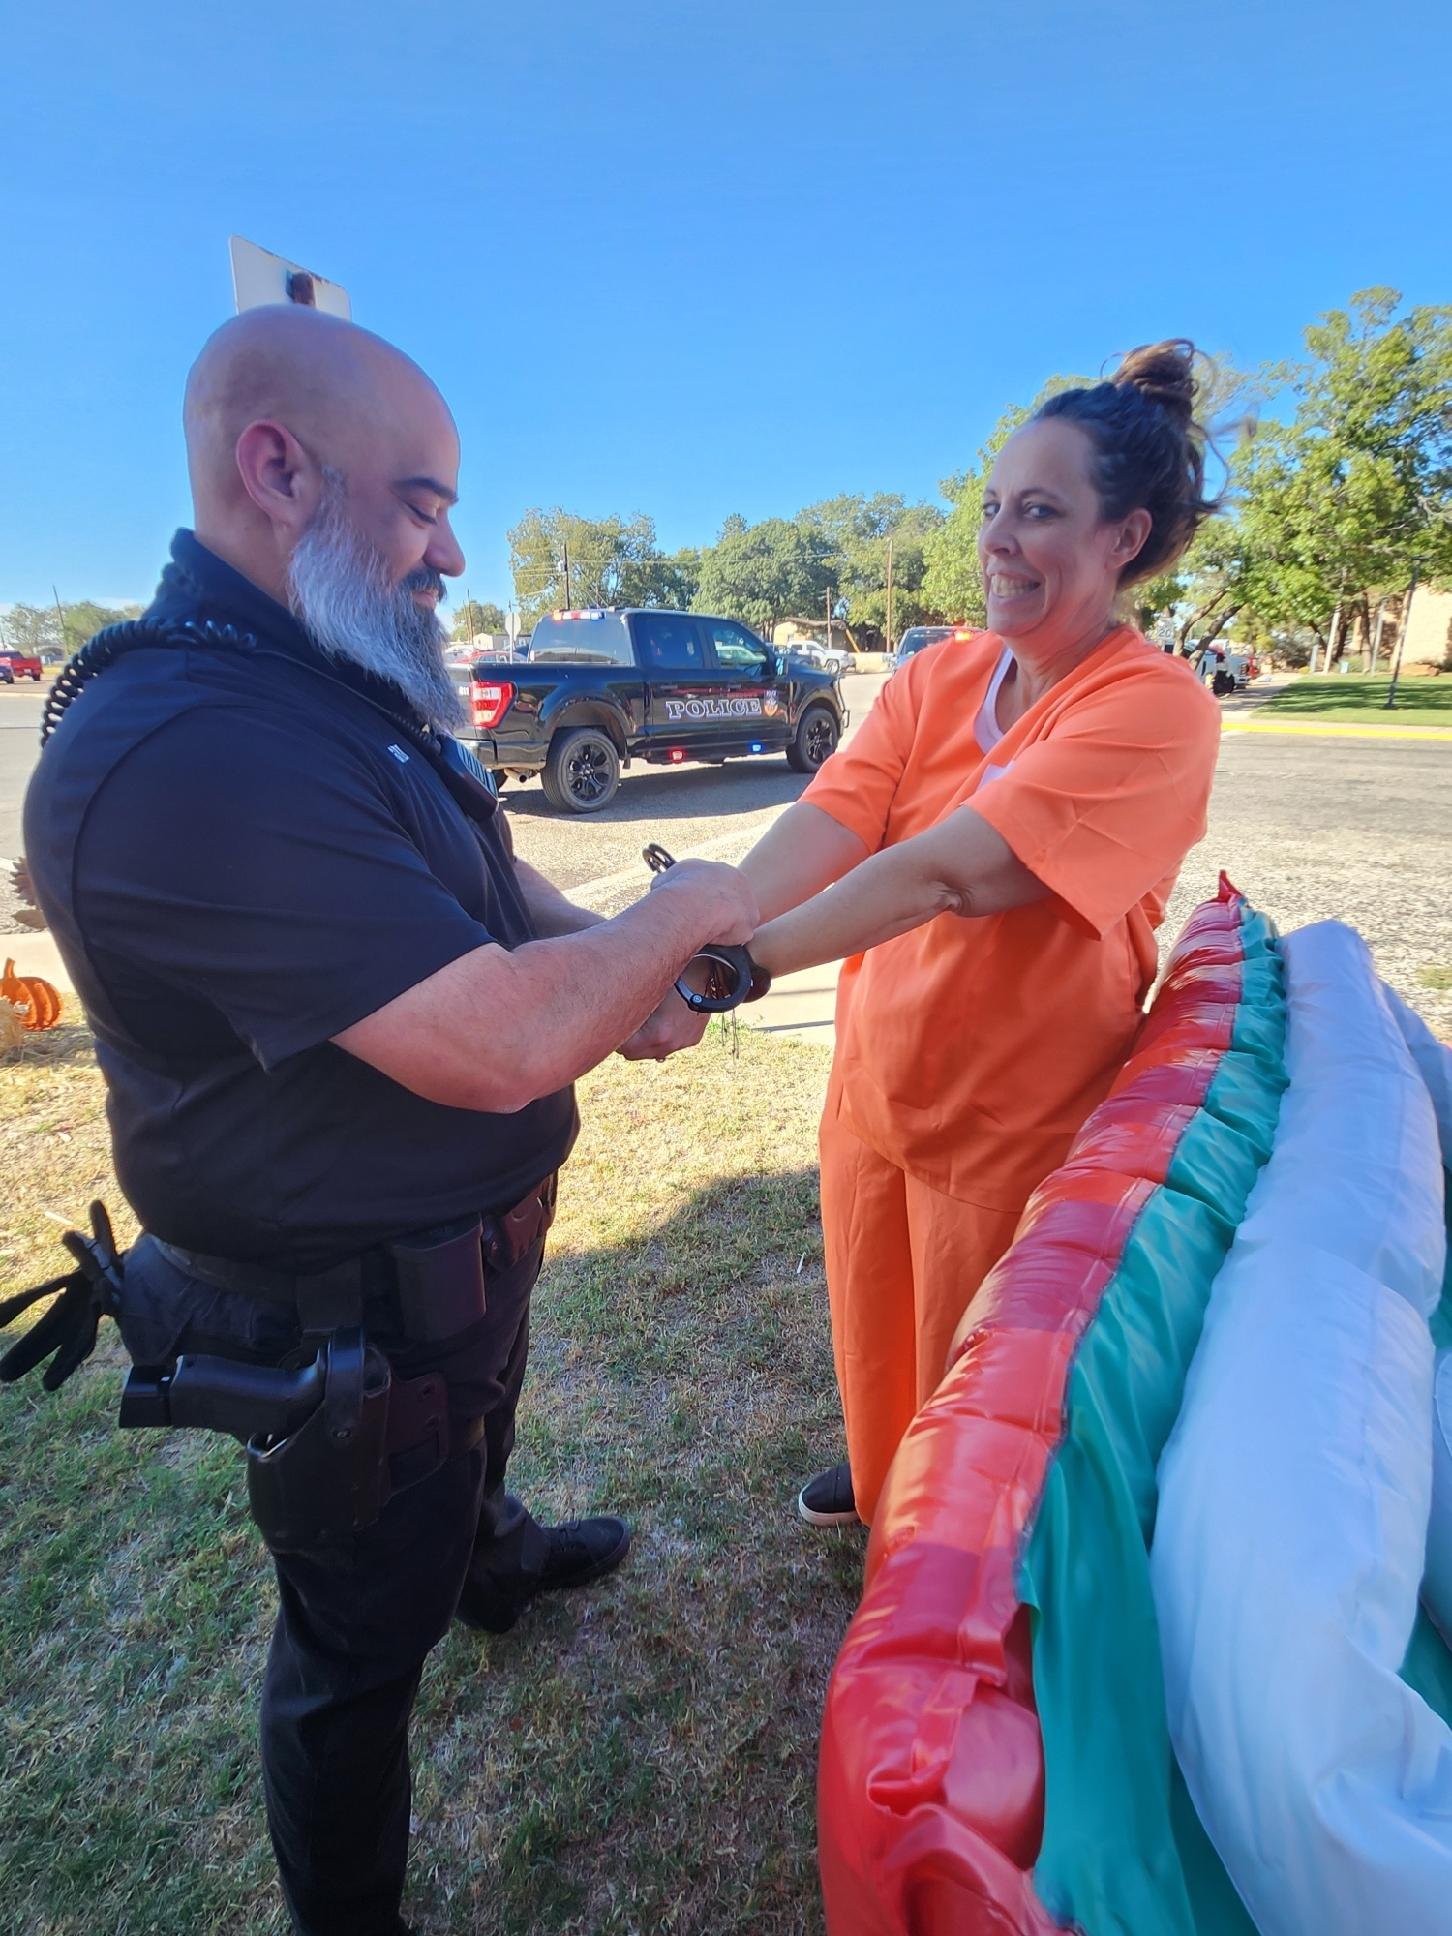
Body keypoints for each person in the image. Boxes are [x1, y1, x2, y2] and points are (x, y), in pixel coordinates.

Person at [14, 305, 757, 1936]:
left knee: (470, 1434)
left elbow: (491, 888)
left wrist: (621, 969)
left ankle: (487, 1557)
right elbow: (492, 1046)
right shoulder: (192, 742)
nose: (452, 546)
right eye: (421, 501)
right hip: (343, 1294)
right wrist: (679, 908)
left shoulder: (326, 674)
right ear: (277, 469)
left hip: (461, 1249)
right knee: (352, 1654)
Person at [628, 341, 1223, 1530]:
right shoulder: (937, 676)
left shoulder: (1152, 706)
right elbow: (834, 817)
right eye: (995, 507)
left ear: (1125, 539)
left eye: (1040, 512)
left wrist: (732, 971)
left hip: (1012, 1123)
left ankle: (934, 1559)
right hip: (878, 1088)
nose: (998, 538)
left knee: (984, 1386)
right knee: (874, 1324)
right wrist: (705, 930)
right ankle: (877, 1462)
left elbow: (955, 872)